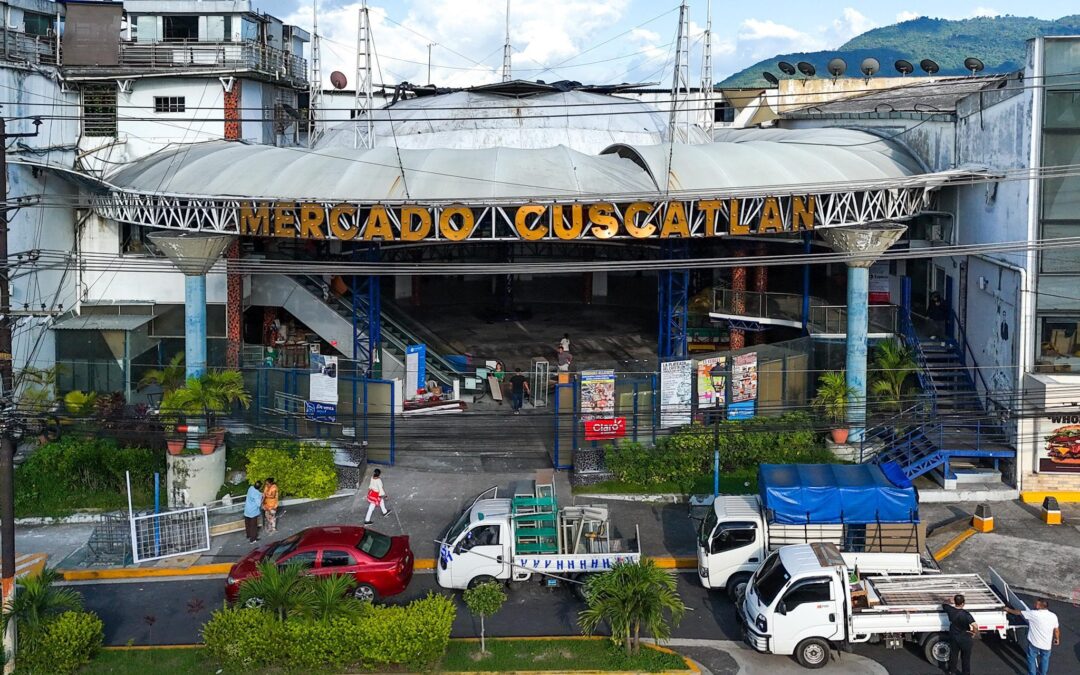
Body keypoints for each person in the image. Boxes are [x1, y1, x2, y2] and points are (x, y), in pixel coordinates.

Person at [1006, 598, 1060, 675]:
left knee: (1031, 659)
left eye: (1036, 603)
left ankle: (1032, 673)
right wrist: (1057, 639)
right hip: (1047, 645)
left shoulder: (1033, 614)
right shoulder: (1053, 616)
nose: (1034, 604)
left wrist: (1008, 609)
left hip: (1034, 643)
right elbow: (1056, 630)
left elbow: (1018, 612)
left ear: (1039, 606)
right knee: (1045, 660)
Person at [942, 594, 977, 675]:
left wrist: (948, 600)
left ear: (955, 602)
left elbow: (944, 604)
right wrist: (974, 632)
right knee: (965, 658)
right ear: (963, 603)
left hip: (954, 636)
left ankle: (952, 671)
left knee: (953, 655)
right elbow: (975, 626)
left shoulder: (950, 610)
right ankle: (966, 673)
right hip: (965, 638)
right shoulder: (966, 614)